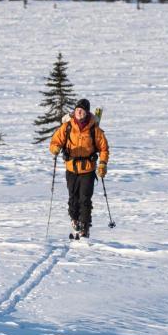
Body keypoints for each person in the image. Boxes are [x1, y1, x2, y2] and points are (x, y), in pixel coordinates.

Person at [49, 98, 109, 237]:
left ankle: (85, 225)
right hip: (71, 168)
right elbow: (54, 142)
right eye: (77, 109)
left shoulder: (94, 129)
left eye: (82, 110)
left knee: (85, 198)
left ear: (87, 112)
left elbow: (104, 148)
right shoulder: (67, 126)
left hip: (88, 169)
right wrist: (56, 148)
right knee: (73, 197)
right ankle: (74, 220)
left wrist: (102, 164)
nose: (79, 112)